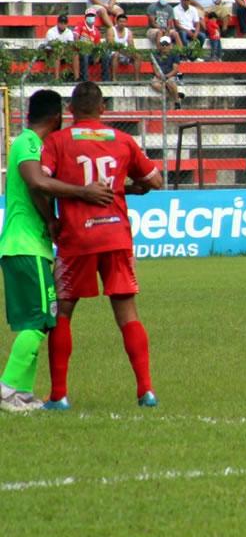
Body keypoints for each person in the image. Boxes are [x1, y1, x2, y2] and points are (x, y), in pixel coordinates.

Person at [42, 81, 166, 410]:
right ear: (103, 109)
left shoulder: (58, 141)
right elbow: (155, 179)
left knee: (63, 313)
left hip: (76, 237)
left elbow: (43, 184)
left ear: (70, 111)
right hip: (116, 235)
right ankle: (146, 390)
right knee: (127, 312)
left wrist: (51, 220)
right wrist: (128, 186)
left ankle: (59, 396)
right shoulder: (122, 139)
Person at [0, 90, 114, 412]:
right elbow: (37, 182)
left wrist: (52, 218)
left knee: (37, 321)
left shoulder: (33, 144)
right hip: (25, 245)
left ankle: (20, 392)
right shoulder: (27, 143)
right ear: (56, 117)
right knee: (42, 319)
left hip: (31, 246)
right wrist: (83, 192)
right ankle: (6, 388)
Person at [151, 36, 184, 108]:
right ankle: (174, 95)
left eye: (166, 44)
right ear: (160, 45)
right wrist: (160, 76)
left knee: (170, 82)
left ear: (170, 45)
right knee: (154, 84)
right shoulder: (155, 55)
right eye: (163, 44)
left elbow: (175, 70)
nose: (164, 46)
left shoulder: (174, 55)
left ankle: (177, 102)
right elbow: (155, 70)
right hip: (159, 76)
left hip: (171, 76)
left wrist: (166, 76)